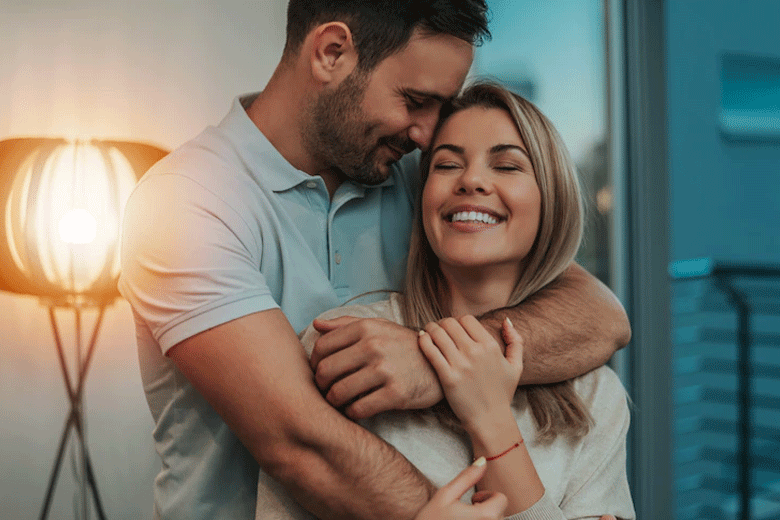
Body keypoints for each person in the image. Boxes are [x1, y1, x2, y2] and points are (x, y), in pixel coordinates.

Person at [119, 2, 631, 519]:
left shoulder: (414, 177)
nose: (429, 137)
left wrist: (431, 361)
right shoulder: (184, 204)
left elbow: (600, 317)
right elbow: (302, 446)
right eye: (415, 100)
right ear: (331, 52)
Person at [282, 83, 634, 520]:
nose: (471, 180)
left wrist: (489, 417)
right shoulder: (346, 346)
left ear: (551, 200)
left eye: (507, 166)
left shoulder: (595, 392)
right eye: (447, 164)